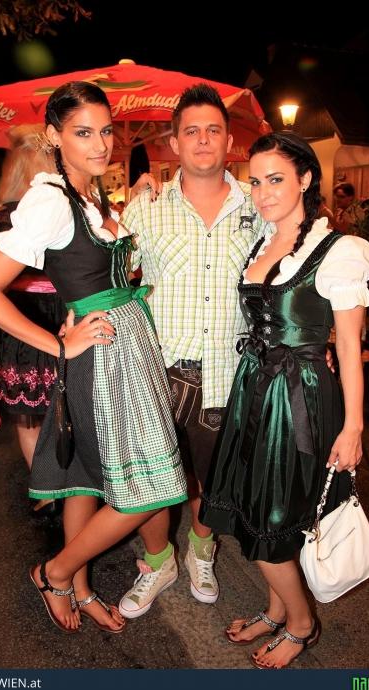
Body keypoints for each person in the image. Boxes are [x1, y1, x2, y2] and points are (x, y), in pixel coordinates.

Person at [0, 81, 187, 633]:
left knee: (85, 473)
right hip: (101, 356)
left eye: (105, 131)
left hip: (127, 345)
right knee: (153, 486)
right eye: (83, 133)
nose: (101, 144)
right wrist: (60, 344)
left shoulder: (90, 196)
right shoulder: (50, 200)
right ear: (54, 136)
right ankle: (56, 572)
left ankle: (79, 586)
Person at [200, 132, 369, 668]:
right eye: (255, 181)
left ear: (305, 178)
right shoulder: (264, 241)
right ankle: (278, 610)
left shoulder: (338, 250)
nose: (262, 192)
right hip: (254, 387)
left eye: (275, 179)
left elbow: (349, 349)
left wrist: (353, 426)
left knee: (273, 512)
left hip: (299, 398)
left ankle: (301, 623)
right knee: (255, 506)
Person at [117, 84, 270, 618]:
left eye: (213, 130)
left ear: (228, 141)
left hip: (229, 370)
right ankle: (159, 561)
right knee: (150, 481)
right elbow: (112, 276)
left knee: (214, 478)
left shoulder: (259, 207)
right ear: (174, 143)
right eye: (191, 131)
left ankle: (202, 548)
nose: (203, 140)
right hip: (157, 370)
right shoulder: (145, 209)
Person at [0, 124, 67, 517]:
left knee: (27, 415)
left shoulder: (2, 219)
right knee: (65, 407)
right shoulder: (65, 208)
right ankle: (68, 485)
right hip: (60, 314)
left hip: (17, 316)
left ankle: (46, 488)